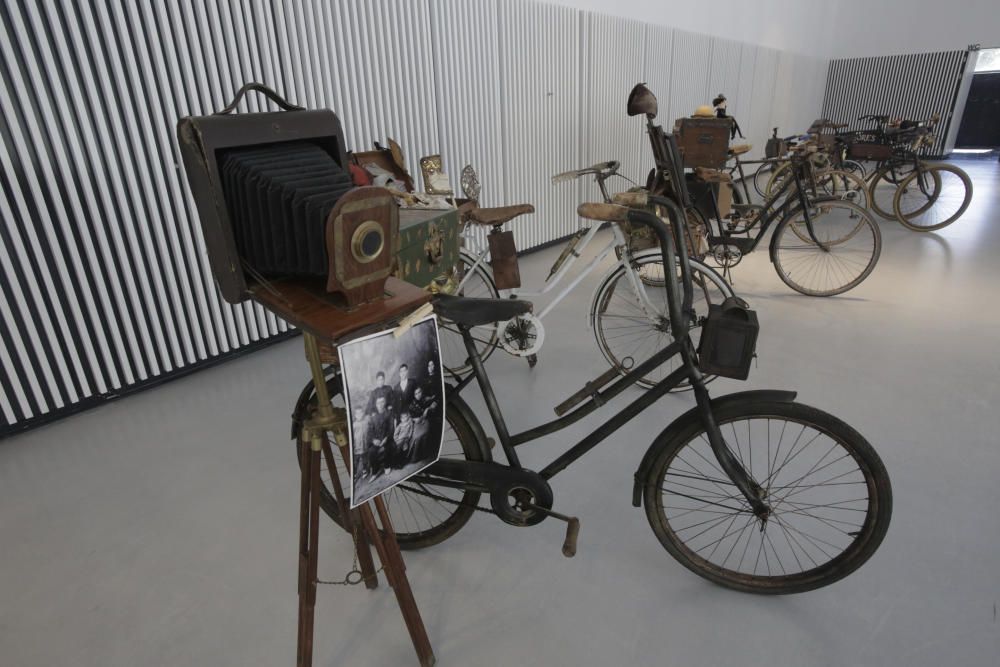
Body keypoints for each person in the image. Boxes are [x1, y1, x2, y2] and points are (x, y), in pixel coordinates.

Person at [367, 395, 394, 477]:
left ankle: (387, 465)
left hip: (387, 438)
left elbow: (391, 428)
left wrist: (386, 438)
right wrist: (373, 440)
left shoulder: (389, 414)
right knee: (371, 451)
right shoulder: (373, 417)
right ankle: (375, 470)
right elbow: (370, 431)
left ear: (385, 403)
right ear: (376, 404)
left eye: (382, 402)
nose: (380, 404)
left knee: (388, 447)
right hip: (377, 440)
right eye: (378, 403)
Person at [351, 405, 370, 481]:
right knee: (356, 461)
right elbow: (352, 436)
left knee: (365, 459)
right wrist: (353, 445)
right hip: (357, 446)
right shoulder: (354, 425)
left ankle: (365, 470)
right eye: (357, 414)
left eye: (361, 413)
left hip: (365, 445)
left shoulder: (366, 422)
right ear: (355, 415)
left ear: (363, 413)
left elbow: (369, 431)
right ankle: (354, 474)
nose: (359, 415)